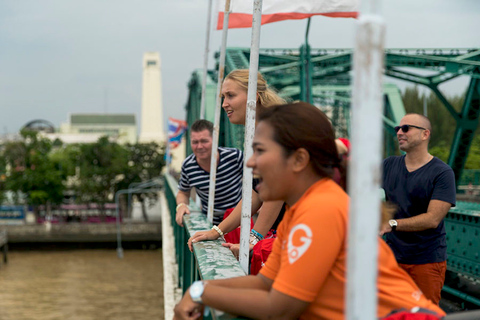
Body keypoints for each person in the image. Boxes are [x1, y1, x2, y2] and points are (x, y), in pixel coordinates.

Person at [174, 102, 445, 320]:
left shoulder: (321, 209)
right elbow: (265, 284)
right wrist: (201, 290)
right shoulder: (300, 211)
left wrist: (200, 293)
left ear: (299, 159)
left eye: (260, 150)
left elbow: (278, 308)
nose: (251, 163)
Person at [188, 69, 286, 259]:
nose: (224, 104)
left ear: (254, 97)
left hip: (303, 232)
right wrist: (216, 231)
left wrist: (253, 238)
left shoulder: (274, 132)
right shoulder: (261, 131)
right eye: (223, 97)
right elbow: (256, 194)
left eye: (231, 96)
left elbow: (277, 190)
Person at [381, 113, 456, 305]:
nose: (399, 132)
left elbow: (432, 219)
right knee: (390, 313)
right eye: (398, 129)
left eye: (406, 128)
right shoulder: (389, 165)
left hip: (426, 260)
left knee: (424, 314)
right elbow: (358, 186)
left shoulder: (442, 173)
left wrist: (391, 223)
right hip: (392, 258)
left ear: (425, 134)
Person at [175, 119, 244, 226]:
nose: (199, 146)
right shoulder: (188, 165)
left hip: (239, 220)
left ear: (215, 140)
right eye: (195, 142)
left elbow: (259, 178)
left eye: (204, 141)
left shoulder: (235, 156)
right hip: (210, 222)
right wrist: (181, 205)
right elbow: (183, 192)